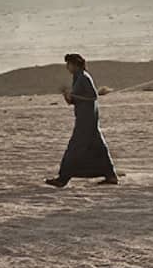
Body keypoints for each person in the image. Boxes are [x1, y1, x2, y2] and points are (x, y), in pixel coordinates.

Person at [46, 52, 119, 186]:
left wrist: (73, 96)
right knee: (99, 148)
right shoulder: (78, 77)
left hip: (86, 121)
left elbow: (93, 97)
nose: (67, 67)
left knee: (74, 148)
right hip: (86, 119)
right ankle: (111, 175)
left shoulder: (84, 77)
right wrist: (67, 95)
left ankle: (63, 178)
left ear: (74, 65)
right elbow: (75, 100)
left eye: (68, 64)